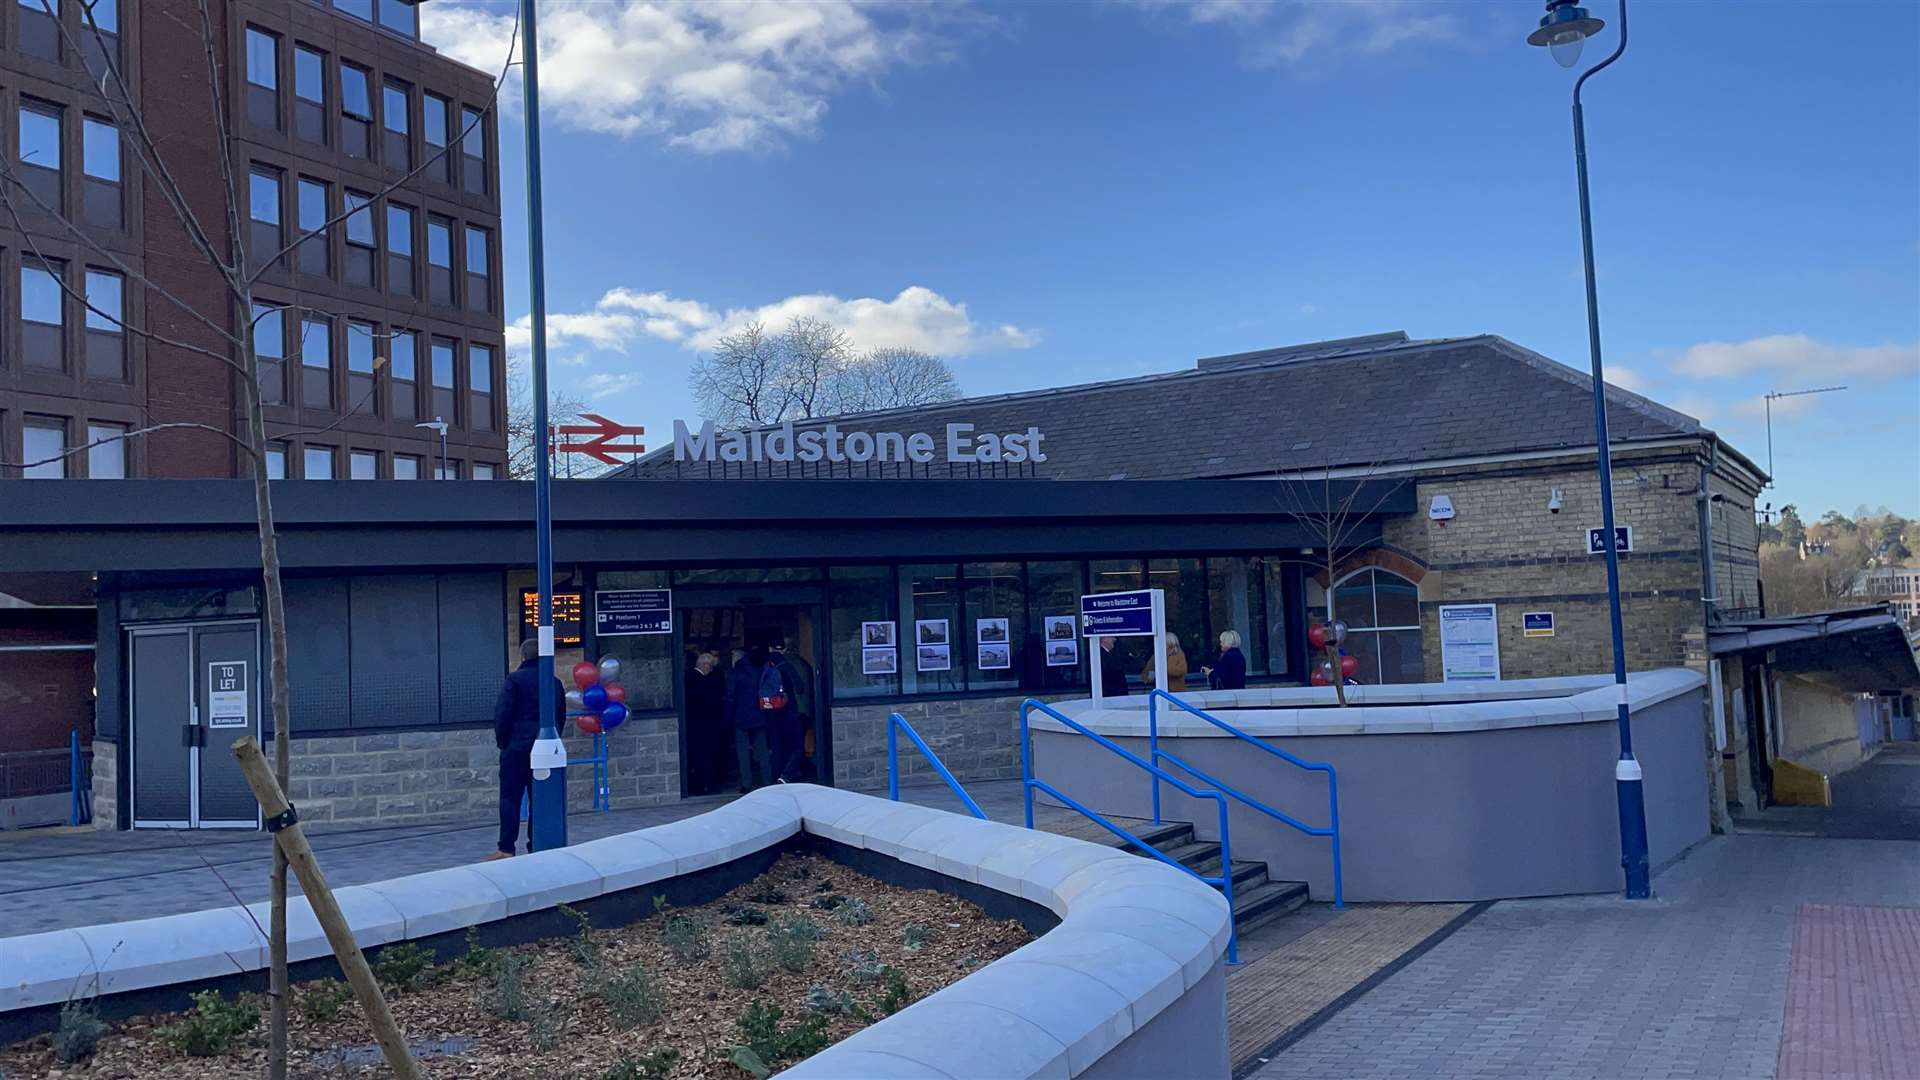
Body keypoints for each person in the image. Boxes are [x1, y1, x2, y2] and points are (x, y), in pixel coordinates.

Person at [490, 637, 565, 860]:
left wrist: (504, 742)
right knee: (540, 798)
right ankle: (536, 845)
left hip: (517, 747)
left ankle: (506, 847)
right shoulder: (554, 682)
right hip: (544, 748)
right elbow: (559, 716)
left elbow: (502, 714)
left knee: (510, 797)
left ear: (523, 656)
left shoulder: (514, 680)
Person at [725, 647, 771, 792]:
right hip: (761, 714)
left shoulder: (737, 671)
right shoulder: (763, 668)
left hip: (741, 715)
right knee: (763, 750)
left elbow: (730, 696)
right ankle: (767, 781)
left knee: (742, 751)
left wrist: (727, 717)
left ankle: (746, 783)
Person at [764, 641, 809, 783]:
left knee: (777, 748)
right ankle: (787, 774)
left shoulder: (764, 666)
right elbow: (800, 687)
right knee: (797, 747)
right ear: (783, 650)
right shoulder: (787, 665)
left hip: (770, 713)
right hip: (789, 712)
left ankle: (774, 778)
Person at [685, 651, 726, 792]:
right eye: (710, 666)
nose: (711, 669)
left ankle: (701, 784)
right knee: (705, 756)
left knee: (701, 755)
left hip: (698, 724)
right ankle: (704, 784)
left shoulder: (690, 677)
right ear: (704, 665)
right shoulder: (698, 680)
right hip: (703, 725)